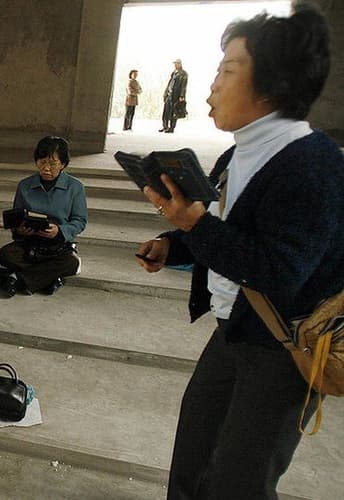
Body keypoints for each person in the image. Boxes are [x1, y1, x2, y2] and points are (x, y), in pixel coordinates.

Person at [136, 6, 344, 499]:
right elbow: (230, 232)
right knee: (190, 462)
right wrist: (175, 244)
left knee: (239, 483)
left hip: (282, 347)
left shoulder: (314, 165)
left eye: (229, 70)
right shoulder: (239, 152)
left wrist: (193, 222)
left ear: (271, 84)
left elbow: (278, 269)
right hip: (232, 332)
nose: (212, 85)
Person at [0, 136, 87, 296]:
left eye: (52, 163)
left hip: (57, 245)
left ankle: (18, 279)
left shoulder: (75, 187)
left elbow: (79, 221)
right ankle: (50, 278)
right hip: (29, 243)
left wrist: (59, 230)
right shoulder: (25, 185)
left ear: (63, 164)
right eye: (42, 162)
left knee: (71, 262)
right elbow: (16, 217)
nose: (46, 168)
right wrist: (20, 230)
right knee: (6, 254)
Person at [160, 59, 188, 133]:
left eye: (177, 63)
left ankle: (171, 128)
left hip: (176, 95)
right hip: (169, 94)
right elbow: (169, 83)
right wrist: (165, 92)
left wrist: (182, 96)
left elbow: (184, 86)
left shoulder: (183, 74)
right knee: (166, 111)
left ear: (180, 64)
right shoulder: (174, 73)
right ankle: (165, 126)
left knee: (174, 112)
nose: (175, 65)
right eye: (175, 64)